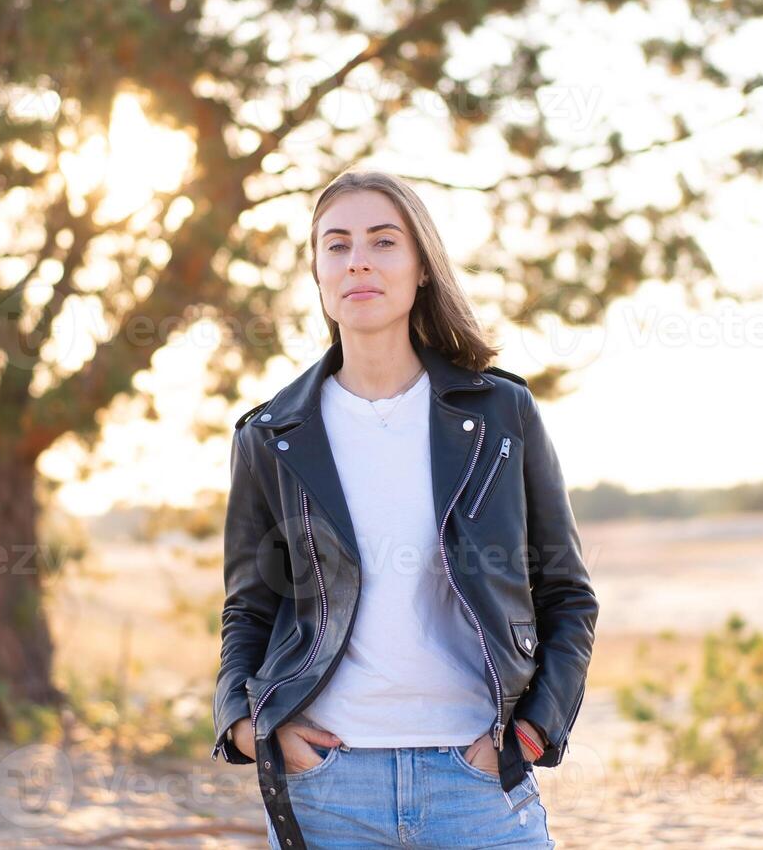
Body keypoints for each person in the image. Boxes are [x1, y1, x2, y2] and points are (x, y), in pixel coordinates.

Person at [212, 170, 598, 848]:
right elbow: (249, 608)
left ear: (422, 266)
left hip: (478, 783)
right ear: (318, 274)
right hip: (327, 786)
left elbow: (566, 593)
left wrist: (535, 730)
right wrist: (244, 725)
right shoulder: (269, 436)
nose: (358, 259)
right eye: (336, 245)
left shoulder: (502, 414)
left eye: (383, 241)